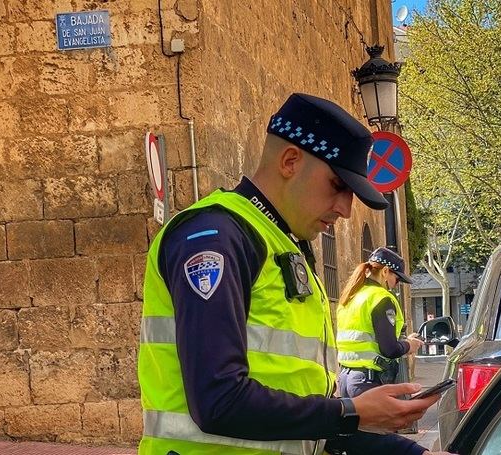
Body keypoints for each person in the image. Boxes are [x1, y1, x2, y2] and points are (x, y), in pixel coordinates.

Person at [137, 93, 452, 455]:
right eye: (338, 186)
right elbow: (218, 400)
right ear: (290, 161)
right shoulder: (216, 236)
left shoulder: (283, 244)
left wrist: (412, 452)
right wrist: (351, 412)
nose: (346, 210)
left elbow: (308, 417)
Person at [336, 247, 425, 398]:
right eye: (397, 279)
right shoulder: (381, 298)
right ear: (385, 271)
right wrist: (410, 345)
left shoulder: (351, 296)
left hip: (345, 380)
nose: (396, 284)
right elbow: (389, 349)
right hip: (369, 382)